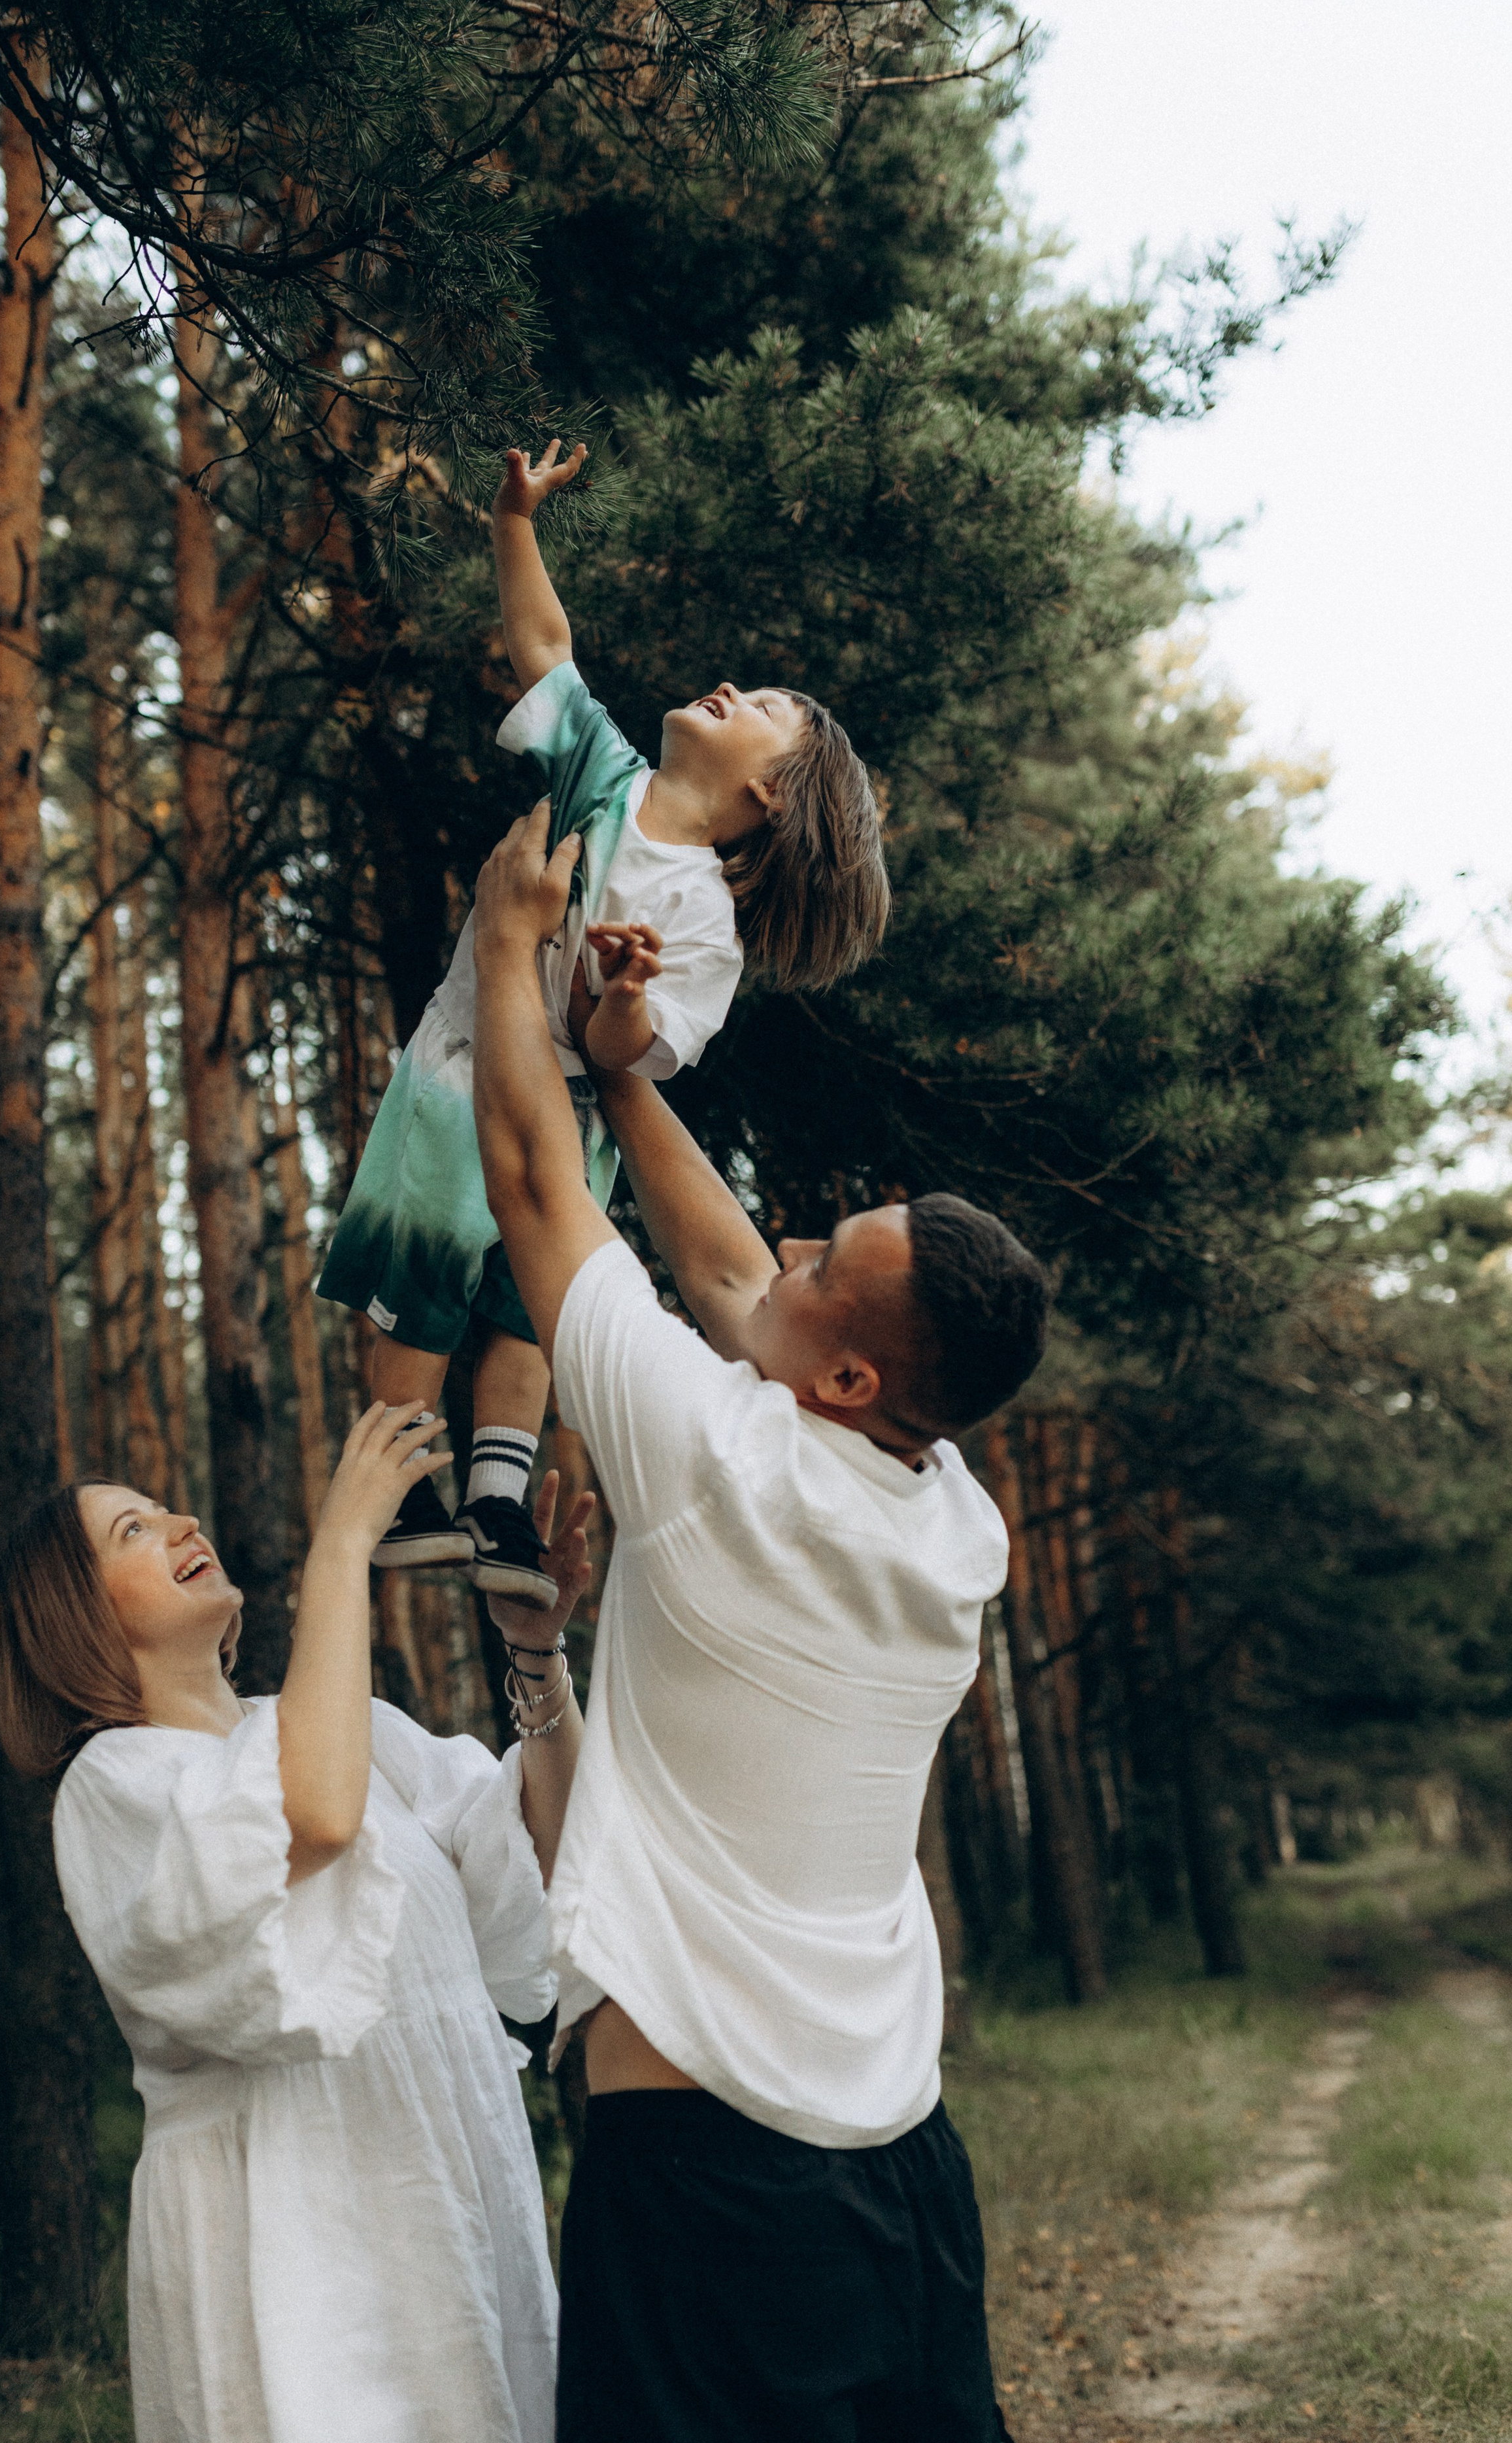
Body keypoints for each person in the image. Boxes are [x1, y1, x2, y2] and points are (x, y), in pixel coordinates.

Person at [466, 801, 1050, 2442]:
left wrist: (510, 946)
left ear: (851, 1376)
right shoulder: (955, 1524)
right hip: (901, 2171)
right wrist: (632, 1071)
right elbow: (735, 1286)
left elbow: (526, 1176)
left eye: (823, 1260)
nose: (783, 1246)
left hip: (710, 2177)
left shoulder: (713, 1463)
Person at [316, 436, 890, 1609]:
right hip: (461, 1070)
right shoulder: (603, 780)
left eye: (761, 708)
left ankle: (495, 1497)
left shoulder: (711, 931)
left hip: (565, 1110)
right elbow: (546, 649)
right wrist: (512, 524)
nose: (732, 689)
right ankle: (399, 1487)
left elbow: (642, 1057)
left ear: (770, 793)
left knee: (531, 1308)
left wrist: (623, 1002)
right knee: (426, 1272)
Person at [0, 1401, 594, 2443]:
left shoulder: (332, 1732)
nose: (181, 1522)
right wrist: (346, 1541)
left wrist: (535, 1659)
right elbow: (312, 1816)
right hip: (293, 2234)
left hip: (438, 2194)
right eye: (131, 1532)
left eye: (165, 1509)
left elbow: (554, 1845)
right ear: (71, 1615)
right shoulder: (114, 1783)